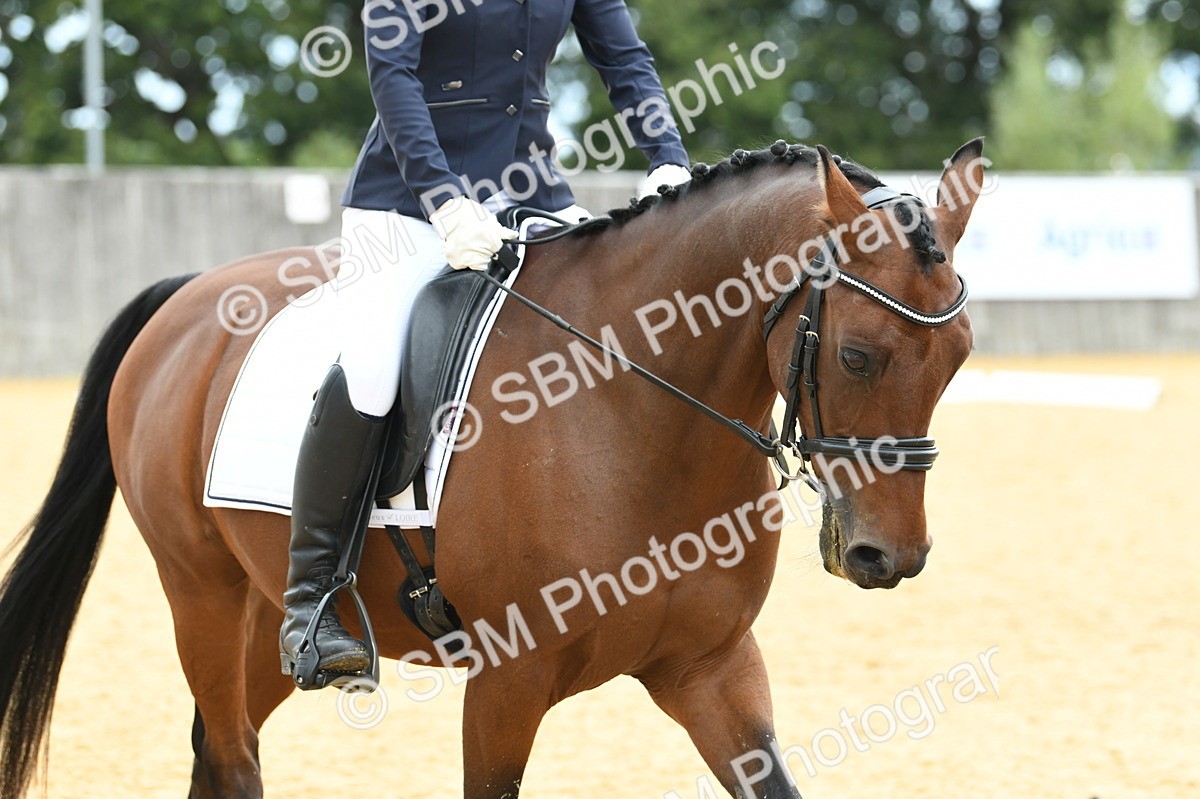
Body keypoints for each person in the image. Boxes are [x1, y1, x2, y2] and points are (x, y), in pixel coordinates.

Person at [279, 0, 693, 683]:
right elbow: (394, 76)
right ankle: (311, 603)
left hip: (533, 192)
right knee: (376, 366)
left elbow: (623, 59)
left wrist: (669, 159)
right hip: (406, 203)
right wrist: (444, 201)